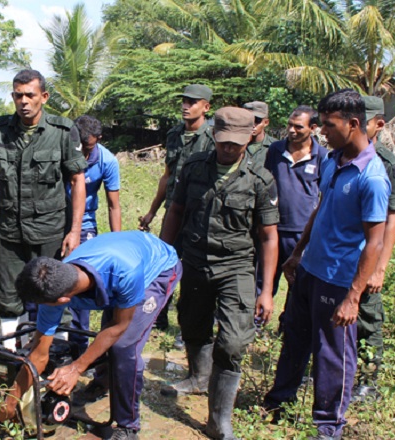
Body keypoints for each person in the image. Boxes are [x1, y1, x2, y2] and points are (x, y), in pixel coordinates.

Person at [263, 89, 390, 440]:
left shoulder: (373, 177)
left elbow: (375, 241)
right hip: (309, 270)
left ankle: (328, 425)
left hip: (338, 280)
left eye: (329, 126)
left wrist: (353, 296)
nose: (323, 133)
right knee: (295, 339)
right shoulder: (333, 161)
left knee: (333, 355)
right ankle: (279, 401)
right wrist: (298, 252)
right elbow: (320, 209)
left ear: (353, 124)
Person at [159, 107, 280, 440]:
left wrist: (266, 290)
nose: (229, 148)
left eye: (236, 143)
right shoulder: (194, 168)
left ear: (250, 137)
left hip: (236, 267)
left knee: (232, 342)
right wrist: (162, 257)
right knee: (192, 323)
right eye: (224, 141)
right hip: (196, 261)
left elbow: (269, 236)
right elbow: (176, 211)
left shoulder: (260, 179)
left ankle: (218, 420)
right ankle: (199, 378)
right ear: (214, 135)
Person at [0, 231, 182, 440]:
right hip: (119, 263)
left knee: (124, 345)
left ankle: (128, 426)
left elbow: (119, 326)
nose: (42, 308)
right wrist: (10, 400)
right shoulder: (53, 284)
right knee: (108, 336)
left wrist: (76, 368)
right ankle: (102, 383)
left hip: (157, 269)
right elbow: (39, 354)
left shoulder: (125, 273)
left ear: (63, 300)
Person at [0, 69, 87, 344]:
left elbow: (77, 181)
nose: (24, 101)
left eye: (30, 95)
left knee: (54, 293)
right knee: (7, 294)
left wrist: (75, 231)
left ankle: (56, 356)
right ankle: (9, 354)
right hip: (9, 232)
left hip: (50, 231)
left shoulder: (62, 132)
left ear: (44, 97)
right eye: (18, 95)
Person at [139, 84, 215, 334]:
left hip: (199, 215)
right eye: (184, 100)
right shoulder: (174, 134)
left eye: (192, 102)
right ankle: (158, 314)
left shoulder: (213, 137)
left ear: (206, 107)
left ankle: (189, 322)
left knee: (193, 269)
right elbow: (167, 176)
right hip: (173, 210)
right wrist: (152, 211)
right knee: (164, 262)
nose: (186, 106)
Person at [353, 95, 395, 401]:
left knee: (368, 318)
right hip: (342, 254)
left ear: (378, 124)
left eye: (363, 122)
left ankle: (368, 381)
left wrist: (379, 268)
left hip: (369, 255)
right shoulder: (339, 157)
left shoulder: (390, 166)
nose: (357, 127)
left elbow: (391, 222)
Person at [260, 106, 327, 327]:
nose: (291, 130)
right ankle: (256, 323)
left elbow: (324, 195)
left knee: (296, 282)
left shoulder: (322, 157)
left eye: (298, 126)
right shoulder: (275, 150)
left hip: (301, 232)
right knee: (263, 279)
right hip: (272, 228)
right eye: (290, 125)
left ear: (313, 128)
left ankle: (287, 326)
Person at [66, 114, 121, 354]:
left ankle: (78, 344)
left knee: (79, 283)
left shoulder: (107, 161)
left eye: (88, 146)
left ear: (97, 139)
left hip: (86, 223)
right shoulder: (65, 149)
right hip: (56, 220)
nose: (83, 153)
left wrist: (117, 242)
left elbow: (113, 205)